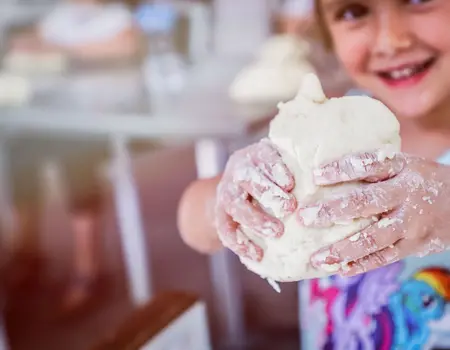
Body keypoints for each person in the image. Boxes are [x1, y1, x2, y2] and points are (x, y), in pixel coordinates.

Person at [178, 0, 450, 348]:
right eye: (353, 12)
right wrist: (228, 201)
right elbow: (193, 224)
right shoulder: (324, 126)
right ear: (325, 30)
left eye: (417, 0)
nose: (391, 40)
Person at [4, 0, 142, 315]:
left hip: (99, 118)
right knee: (20, 151)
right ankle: (27, 252)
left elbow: (125, 47)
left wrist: (61, 50)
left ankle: (88, 269)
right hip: (54, 113)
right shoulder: (59, 17)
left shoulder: (115, 17)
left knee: (76, 159)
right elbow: (27, 46)